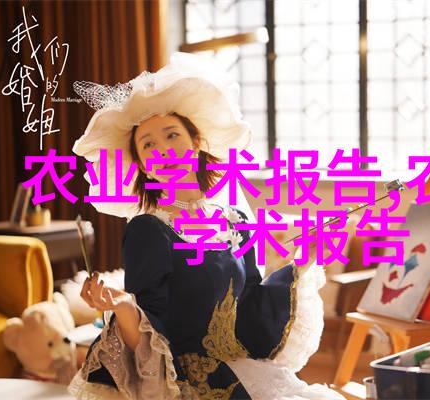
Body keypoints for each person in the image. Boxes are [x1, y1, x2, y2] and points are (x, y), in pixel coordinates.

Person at [68, 53, 345, 400]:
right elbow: (150, 334)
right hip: (189, 385)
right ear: (144, 166)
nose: (163, 151)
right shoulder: (148, 230)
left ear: (196, 142)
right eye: (148, 145)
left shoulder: (235, 220)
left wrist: (304, 259)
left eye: (172, 135)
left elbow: (250, 303)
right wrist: (122, 306)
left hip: (244, 370)